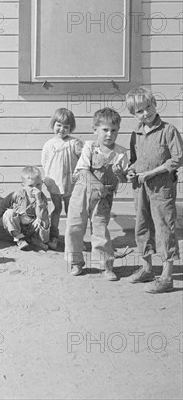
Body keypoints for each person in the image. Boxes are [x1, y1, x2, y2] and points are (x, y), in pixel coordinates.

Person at [125, 87, 183, 294]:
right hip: (140, 187)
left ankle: (167, 277)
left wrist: (152, 173)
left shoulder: (169, 130)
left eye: (148, 107)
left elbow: (177, 159)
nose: (146, 113)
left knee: (164, 228)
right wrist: (130, 171)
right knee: (142, 227)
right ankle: (148, 268)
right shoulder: (136, 133)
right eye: (140, 111)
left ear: (154, 104)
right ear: (134, 114)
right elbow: (134, 161)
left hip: (162, 188)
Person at [64, 108, 129, 280]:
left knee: (100, 229)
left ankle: (105, 266)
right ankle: (76, 262)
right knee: (75, 227)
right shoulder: (89, 147)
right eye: (105, 130)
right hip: (82, 193)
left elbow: (124, 179)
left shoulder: (121, 153)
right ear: (95, 130)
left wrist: (119, 174)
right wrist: (97, 185)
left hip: (103, 199)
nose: (109, 134)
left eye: (113, 130)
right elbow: (83, 171)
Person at [41, 108, 83, 250]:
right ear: (53, 124)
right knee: (56, 208)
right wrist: (49, 177)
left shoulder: (74, 143)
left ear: (71, 128)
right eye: (59, 125)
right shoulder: (49, 144)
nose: (62, 129)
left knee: (72, 210)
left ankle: (75, 239)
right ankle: (54, 237)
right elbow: (45, 162)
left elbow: (83, 159)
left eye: (66, 127)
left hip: (71, 183)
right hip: (55, 182)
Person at [0, 166, 50, 251]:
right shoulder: (17, 195)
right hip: (17, 228)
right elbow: (2, 205)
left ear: (42, 183)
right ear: (23, 186)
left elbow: (41, 217)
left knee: (44, 218)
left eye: (38, 185)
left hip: (30, 228)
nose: (35, 188)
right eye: (31, 186)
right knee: (9, 213)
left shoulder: (42, 198)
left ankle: (35, 239)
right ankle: (20, 239)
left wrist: (38, 200)